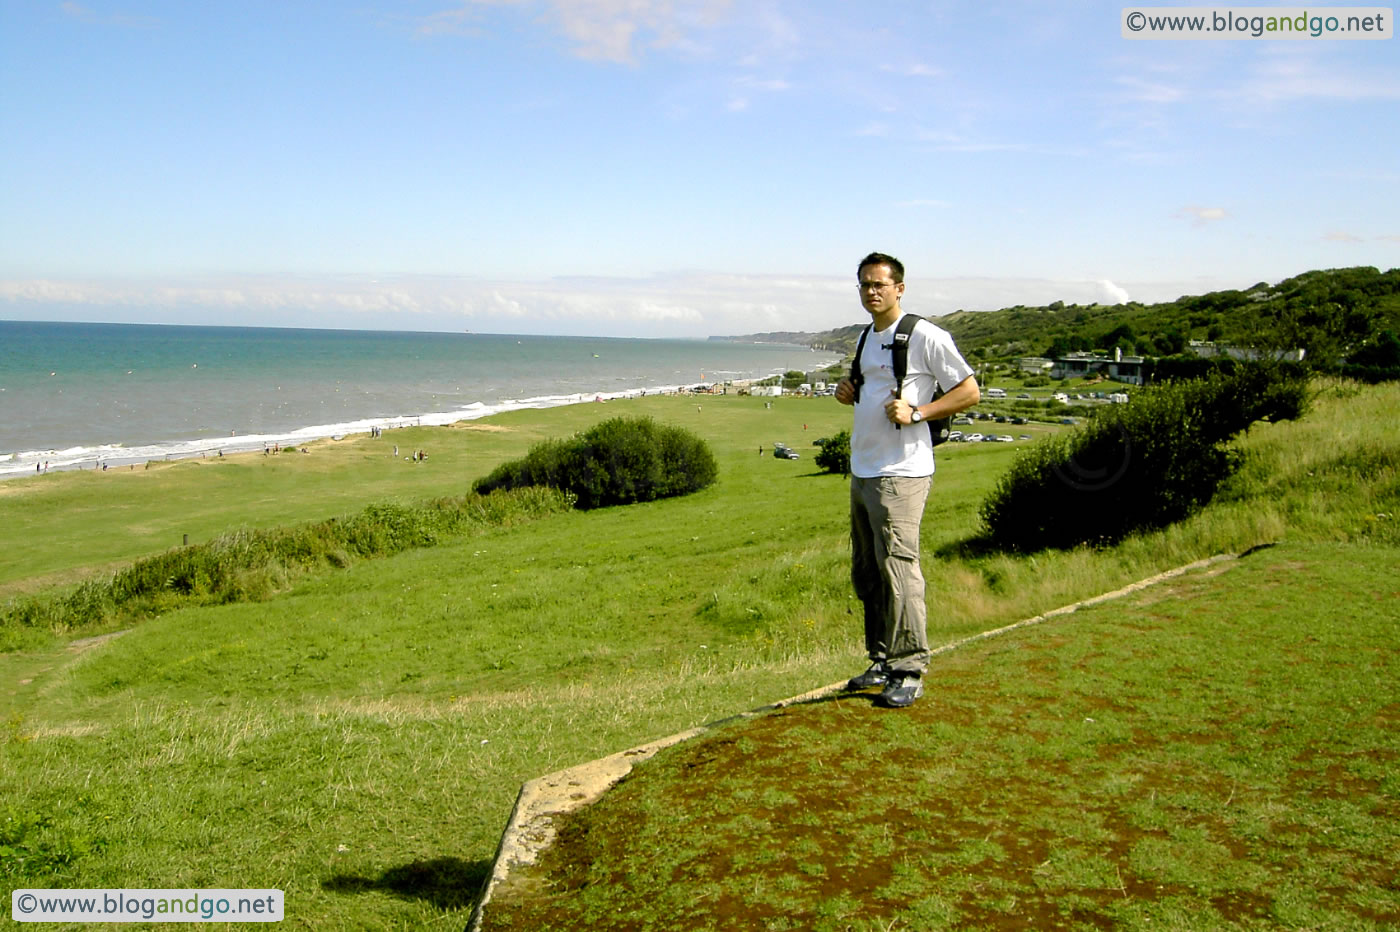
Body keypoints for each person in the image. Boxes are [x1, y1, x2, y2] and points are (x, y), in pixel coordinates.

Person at [834, 252, 980, 708]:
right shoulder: (866, 337)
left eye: (879, 284)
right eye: (864, 285)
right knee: (868, 572)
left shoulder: (925, 336)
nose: (871, 292)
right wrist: (847, 390)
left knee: (899, 569)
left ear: (900, 288)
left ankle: (909, 667)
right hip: (864, 470)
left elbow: (970, 390)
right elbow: (868, 386)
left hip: (902, 473)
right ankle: (881, 659)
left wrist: (919, 412)